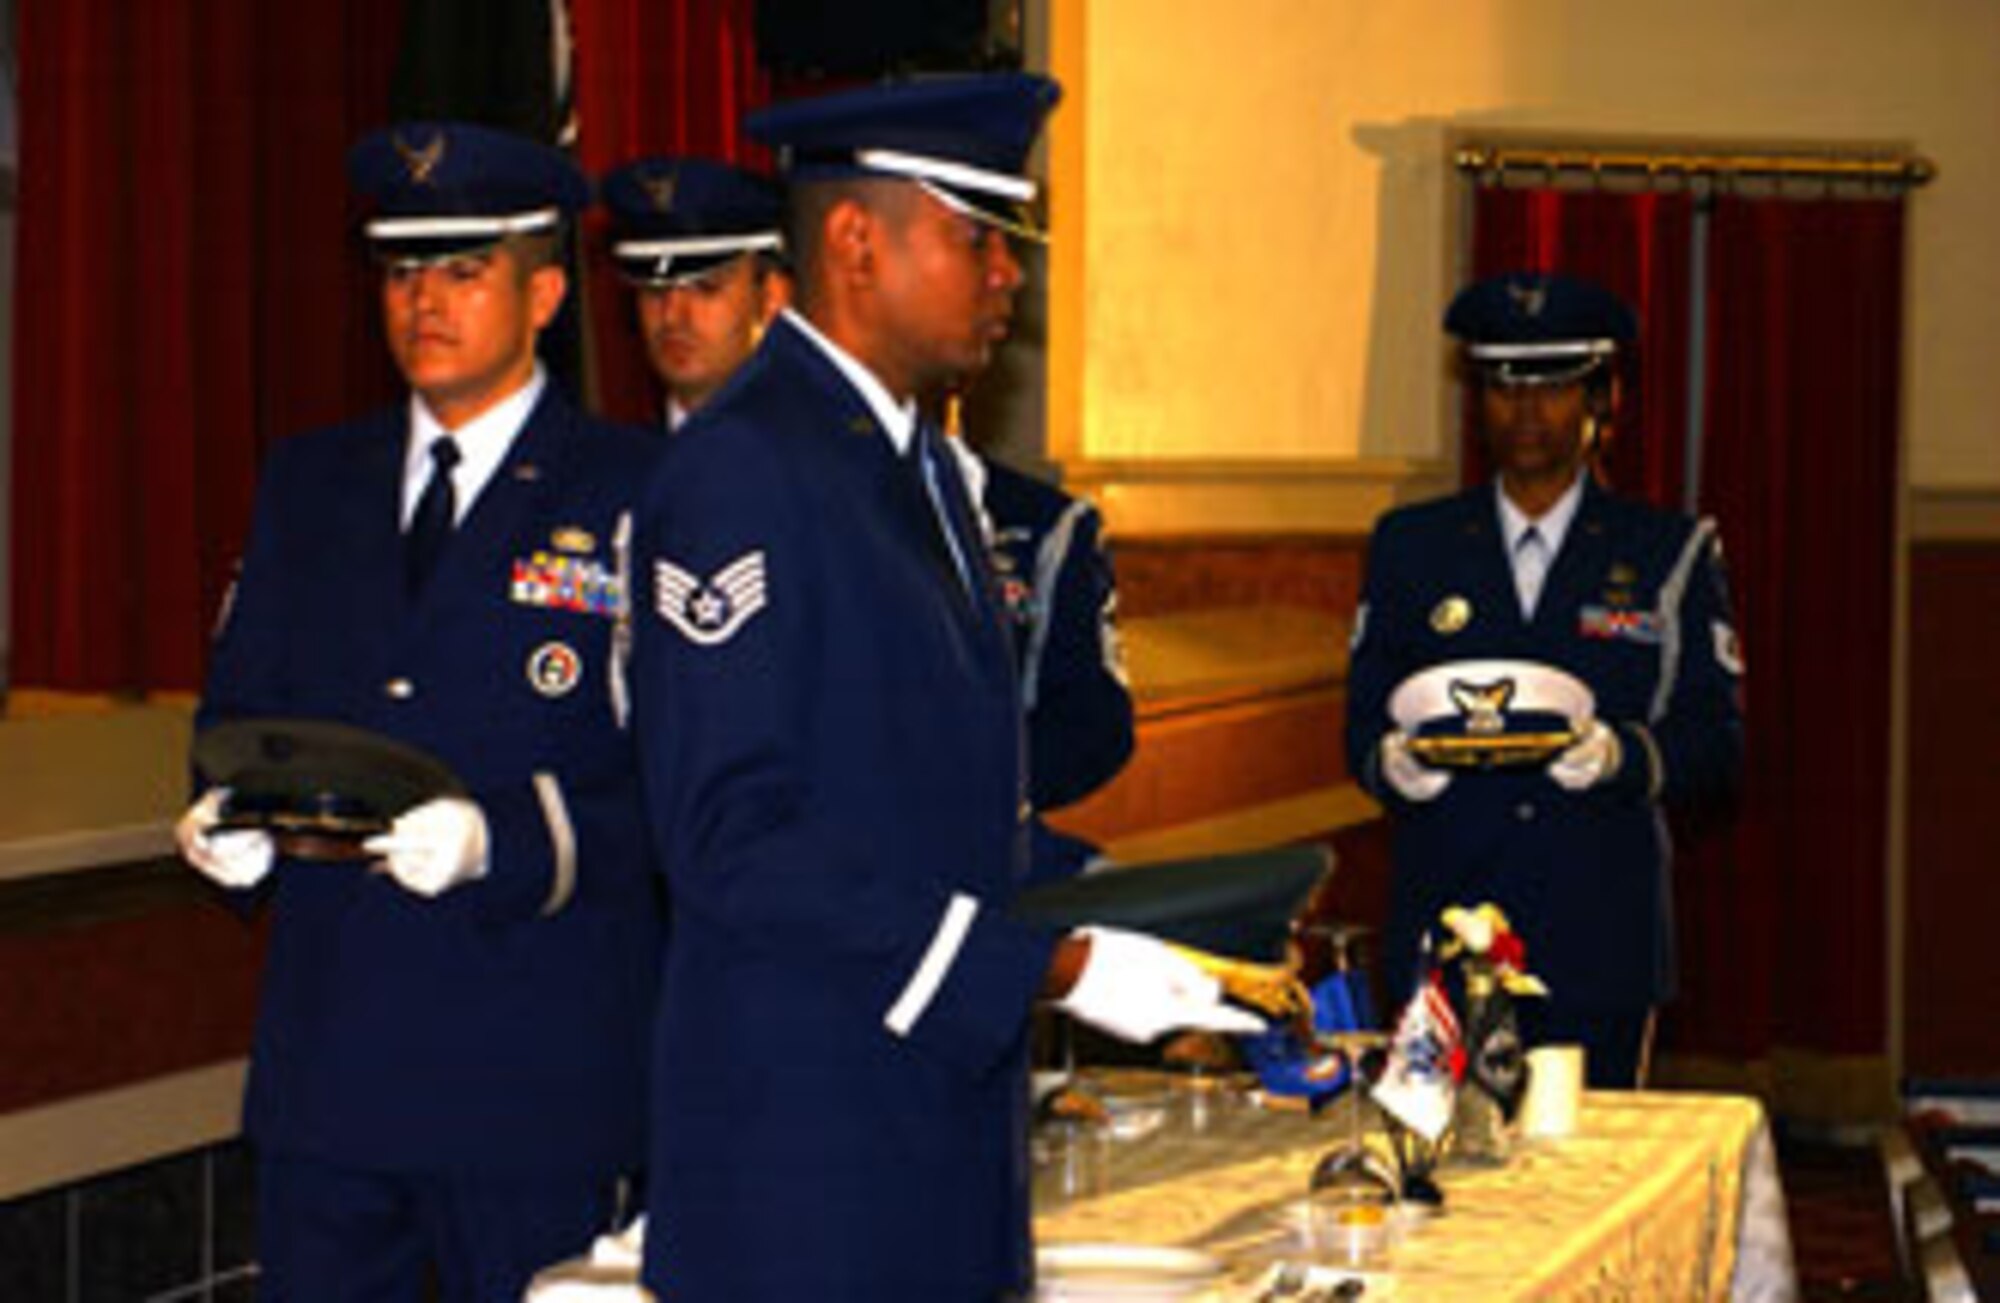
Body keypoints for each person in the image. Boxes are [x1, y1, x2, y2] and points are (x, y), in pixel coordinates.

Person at [627, 73, 1262, 1298]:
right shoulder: (743, 468)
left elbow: (924, 805)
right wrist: (1051, 971)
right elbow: (732, 838)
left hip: (921, 1133)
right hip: (806, 1161)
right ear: (856, 242)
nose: (1007, 273)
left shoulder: (915, 466)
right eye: (977, 236)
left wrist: (1128, 911)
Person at [173, 122, 661, 1300]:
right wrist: (219, 815)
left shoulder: (639, 488)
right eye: (401, 272)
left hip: (531, 1073)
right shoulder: (310, 481)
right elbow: (240, 715)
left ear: (543, 295)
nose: (423, 302)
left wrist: (506, 837)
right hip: (335, 1069)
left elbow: (682, 787)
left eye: (462, 270)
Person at [1344, 270, 1744, 1089]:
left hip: (1597, 930)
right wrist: (1389, 763)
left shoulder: (1668, 550)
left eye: (1553, 386)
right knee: (1437, 1158)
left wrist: (1623, 756)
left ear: (1601, 398)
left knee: (1589, 1159)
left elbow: (1717, 742)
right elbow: (1360, 722)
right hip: (1445, 927)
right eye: (1503, 385)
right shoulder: (1411, 545)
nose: (1526, 410)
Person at [940, 400, 1135, 883]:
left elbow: (1096, 723)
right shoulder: (810, 503)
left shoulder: (1048, 523)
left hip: (1003, 849)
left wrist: (975, 781)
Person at [599, 156, 790, 429]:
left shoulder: (820, 449)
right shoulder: (612, 454)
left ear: (771, 297)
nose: (671, 315)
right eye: (654, 290)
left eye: (705, 288)